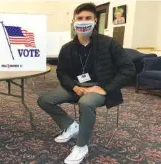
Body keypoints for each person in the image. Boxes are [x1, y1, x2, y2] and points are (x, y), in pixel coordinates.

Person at [37, 3, 135, 164]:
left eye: (88, 18)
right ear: (74, 21)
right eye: (80, 18)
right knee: (44, 100)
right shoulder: (67, 48)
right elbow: (61, 72)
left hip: (100, 87)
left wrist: (105, 89)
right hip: (76, 86)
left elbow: (128, 69)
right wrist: (74, 87)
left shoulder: (109, 43)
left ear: (95, 20)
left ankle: (81, 146)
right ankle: (71, 126)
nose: (83, 21)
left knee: (86, 103)